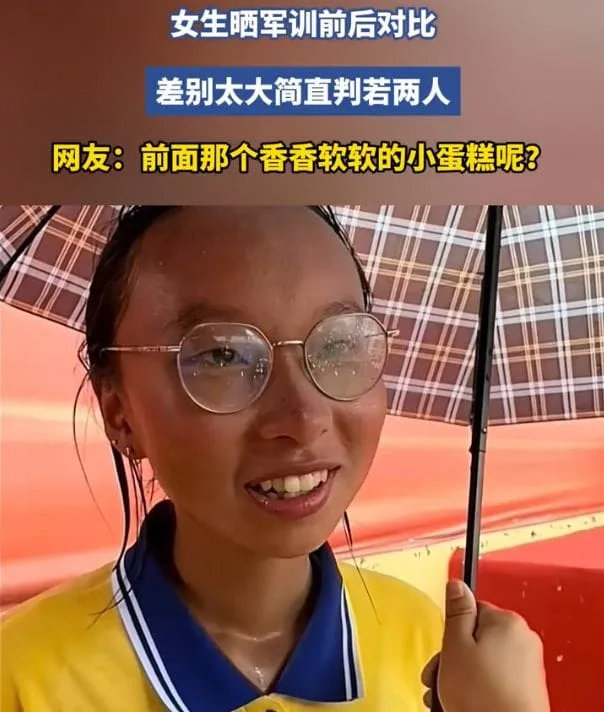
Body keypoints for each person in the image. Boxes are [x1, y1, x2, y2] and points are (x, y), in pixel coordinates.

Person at [1, 206, 550, 712]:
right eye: (223, 355)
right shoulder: (22, 680)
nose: (303, 419)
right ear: (119, 413)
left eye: (338, 343)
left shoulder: (431, 650)